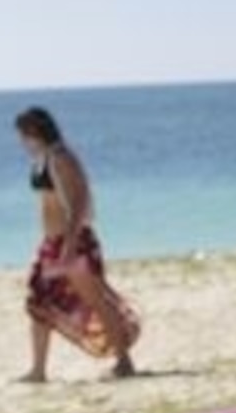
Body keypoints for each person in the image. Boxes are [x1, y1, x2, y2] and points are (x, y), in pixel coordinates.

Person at [14, 107, 141, 380]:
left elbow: (79, 202)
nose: (21, 141)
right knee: (39, 302)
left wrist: (69, 247)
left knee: (96, 301)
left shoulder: (61, 158)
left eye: (24, 134)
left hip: (73, 242)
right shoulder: (43, 159)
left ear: (36, 132)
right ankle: (38, 370)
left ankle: (125, 362)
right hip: (51, 243)